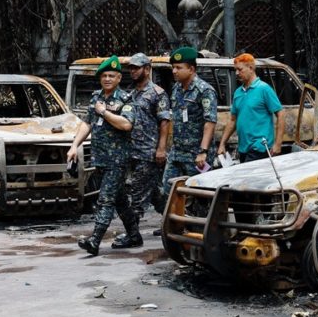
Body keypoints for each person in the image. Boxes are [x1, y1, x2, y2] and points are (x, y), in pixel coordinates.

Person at [66, 56, 137, 256]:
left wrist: (105, 113)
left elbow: (126, 124)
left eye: (111, 76)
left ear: (118, 78)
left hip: (117, 160)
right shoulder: (96, 97)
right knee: (120, 199)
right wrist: (74, 146)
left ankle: (95, 241)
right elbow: (87, 123)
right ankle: (134, 234)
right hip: (100, 158)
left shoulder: (125, 99)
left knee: (105, 200)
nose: (107, 79)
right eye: (104, 75)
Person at [112, 52, 170, 249]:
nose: (133, 71)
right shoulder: (130, 93)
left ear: (147, 69)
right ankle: (175, 220)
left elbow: (164, 122)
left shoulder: (157, 93)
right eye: (131, 67)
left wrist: (161, 149)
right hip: (131, 151)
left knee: (137, 194)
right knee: (155, 194)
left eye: (137, 67)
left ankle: (133, 234)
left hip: (148, 152)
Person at [161, 46, 217, 198]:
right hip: (177, 152)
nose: (174, 71)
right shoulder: (176, 89)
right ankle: (177, 222)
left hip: (196, 154)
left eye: (179, 67)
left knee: (200, 196)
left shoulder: (204, 90)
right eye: (173, 67)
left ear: (191, 69)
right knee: (168, 191)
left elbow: (210, 121)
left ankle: (202, 222)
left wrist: (203, 151)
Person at [216, 53, 284, 163]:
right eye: (235, 70)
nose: (237, 73)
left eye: (240, 70)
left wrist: (278, 144)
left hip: (260, 146)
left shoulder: (264, 89)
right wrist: (222, 144)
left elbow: (280, 114)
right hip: (243, 147)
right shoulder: (238, 92)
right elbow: (233, 120)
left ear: (251, 68)